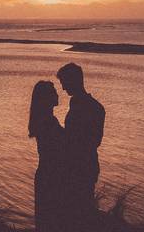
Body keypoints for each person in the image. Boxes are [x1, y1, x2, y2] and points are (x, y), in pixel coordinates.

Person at [56, 62, 105, 228]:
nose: (62, 88)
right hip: (81, 166)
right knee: (77, 212)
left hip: (82, 167)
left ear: (74, 81)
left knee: (80, 212)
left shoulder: (93, 107)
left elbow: (93, 141)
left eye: (64, 83)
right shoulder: (83, 105)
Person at [28, 80, 69, 232]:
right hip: (50, 176)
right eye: (53, 93)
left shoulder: (45, 120)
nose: (57, 94)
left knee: (47, 220)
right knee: (52, 221)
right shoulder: (48, 122)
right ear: (45, 98)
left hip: (47, 174)